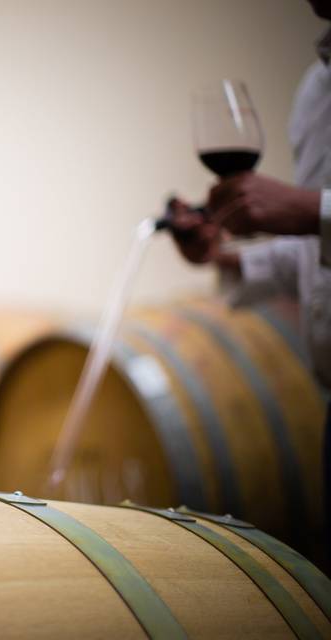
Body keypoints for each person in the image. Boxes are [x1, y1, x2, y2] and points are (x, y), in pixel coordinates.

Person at [169, 0, 330, 543]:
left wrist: (313, 209)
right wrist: (220, 253)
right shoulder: (316, 90)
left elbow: (314, 220)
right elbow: (317, 264)